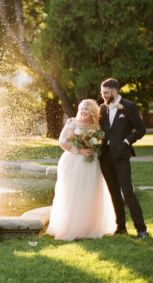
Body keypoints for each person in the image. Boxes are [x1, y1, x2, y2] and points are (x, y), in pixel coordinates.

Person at [46, 99, 116, 240]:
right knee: (73, 192)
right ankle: (70, 227)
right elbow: (62, 141)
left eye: (87, 109)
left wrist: (93, 147)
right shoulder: (72, 123)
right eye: (82, 108)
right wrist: (80, 150)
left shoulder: (96, 127)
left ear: (92, 112)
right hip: (73, 161)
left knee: (89, 192)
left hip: (90, 164)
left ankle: (88, 227)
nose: (83, 111)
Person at [99, 78, 148, 239]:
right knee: (114, 193)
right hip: (105, 157)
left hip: (121, 156)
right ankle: (121, 227)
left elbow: (141, 129)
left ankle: (141, 229)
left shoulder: (128, 107)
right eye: (102, 93)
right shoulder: (102, 108)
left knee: (127, 192)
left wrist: (127, 141)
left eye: (106, 93)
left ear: (114, 91)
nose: (103, 95)